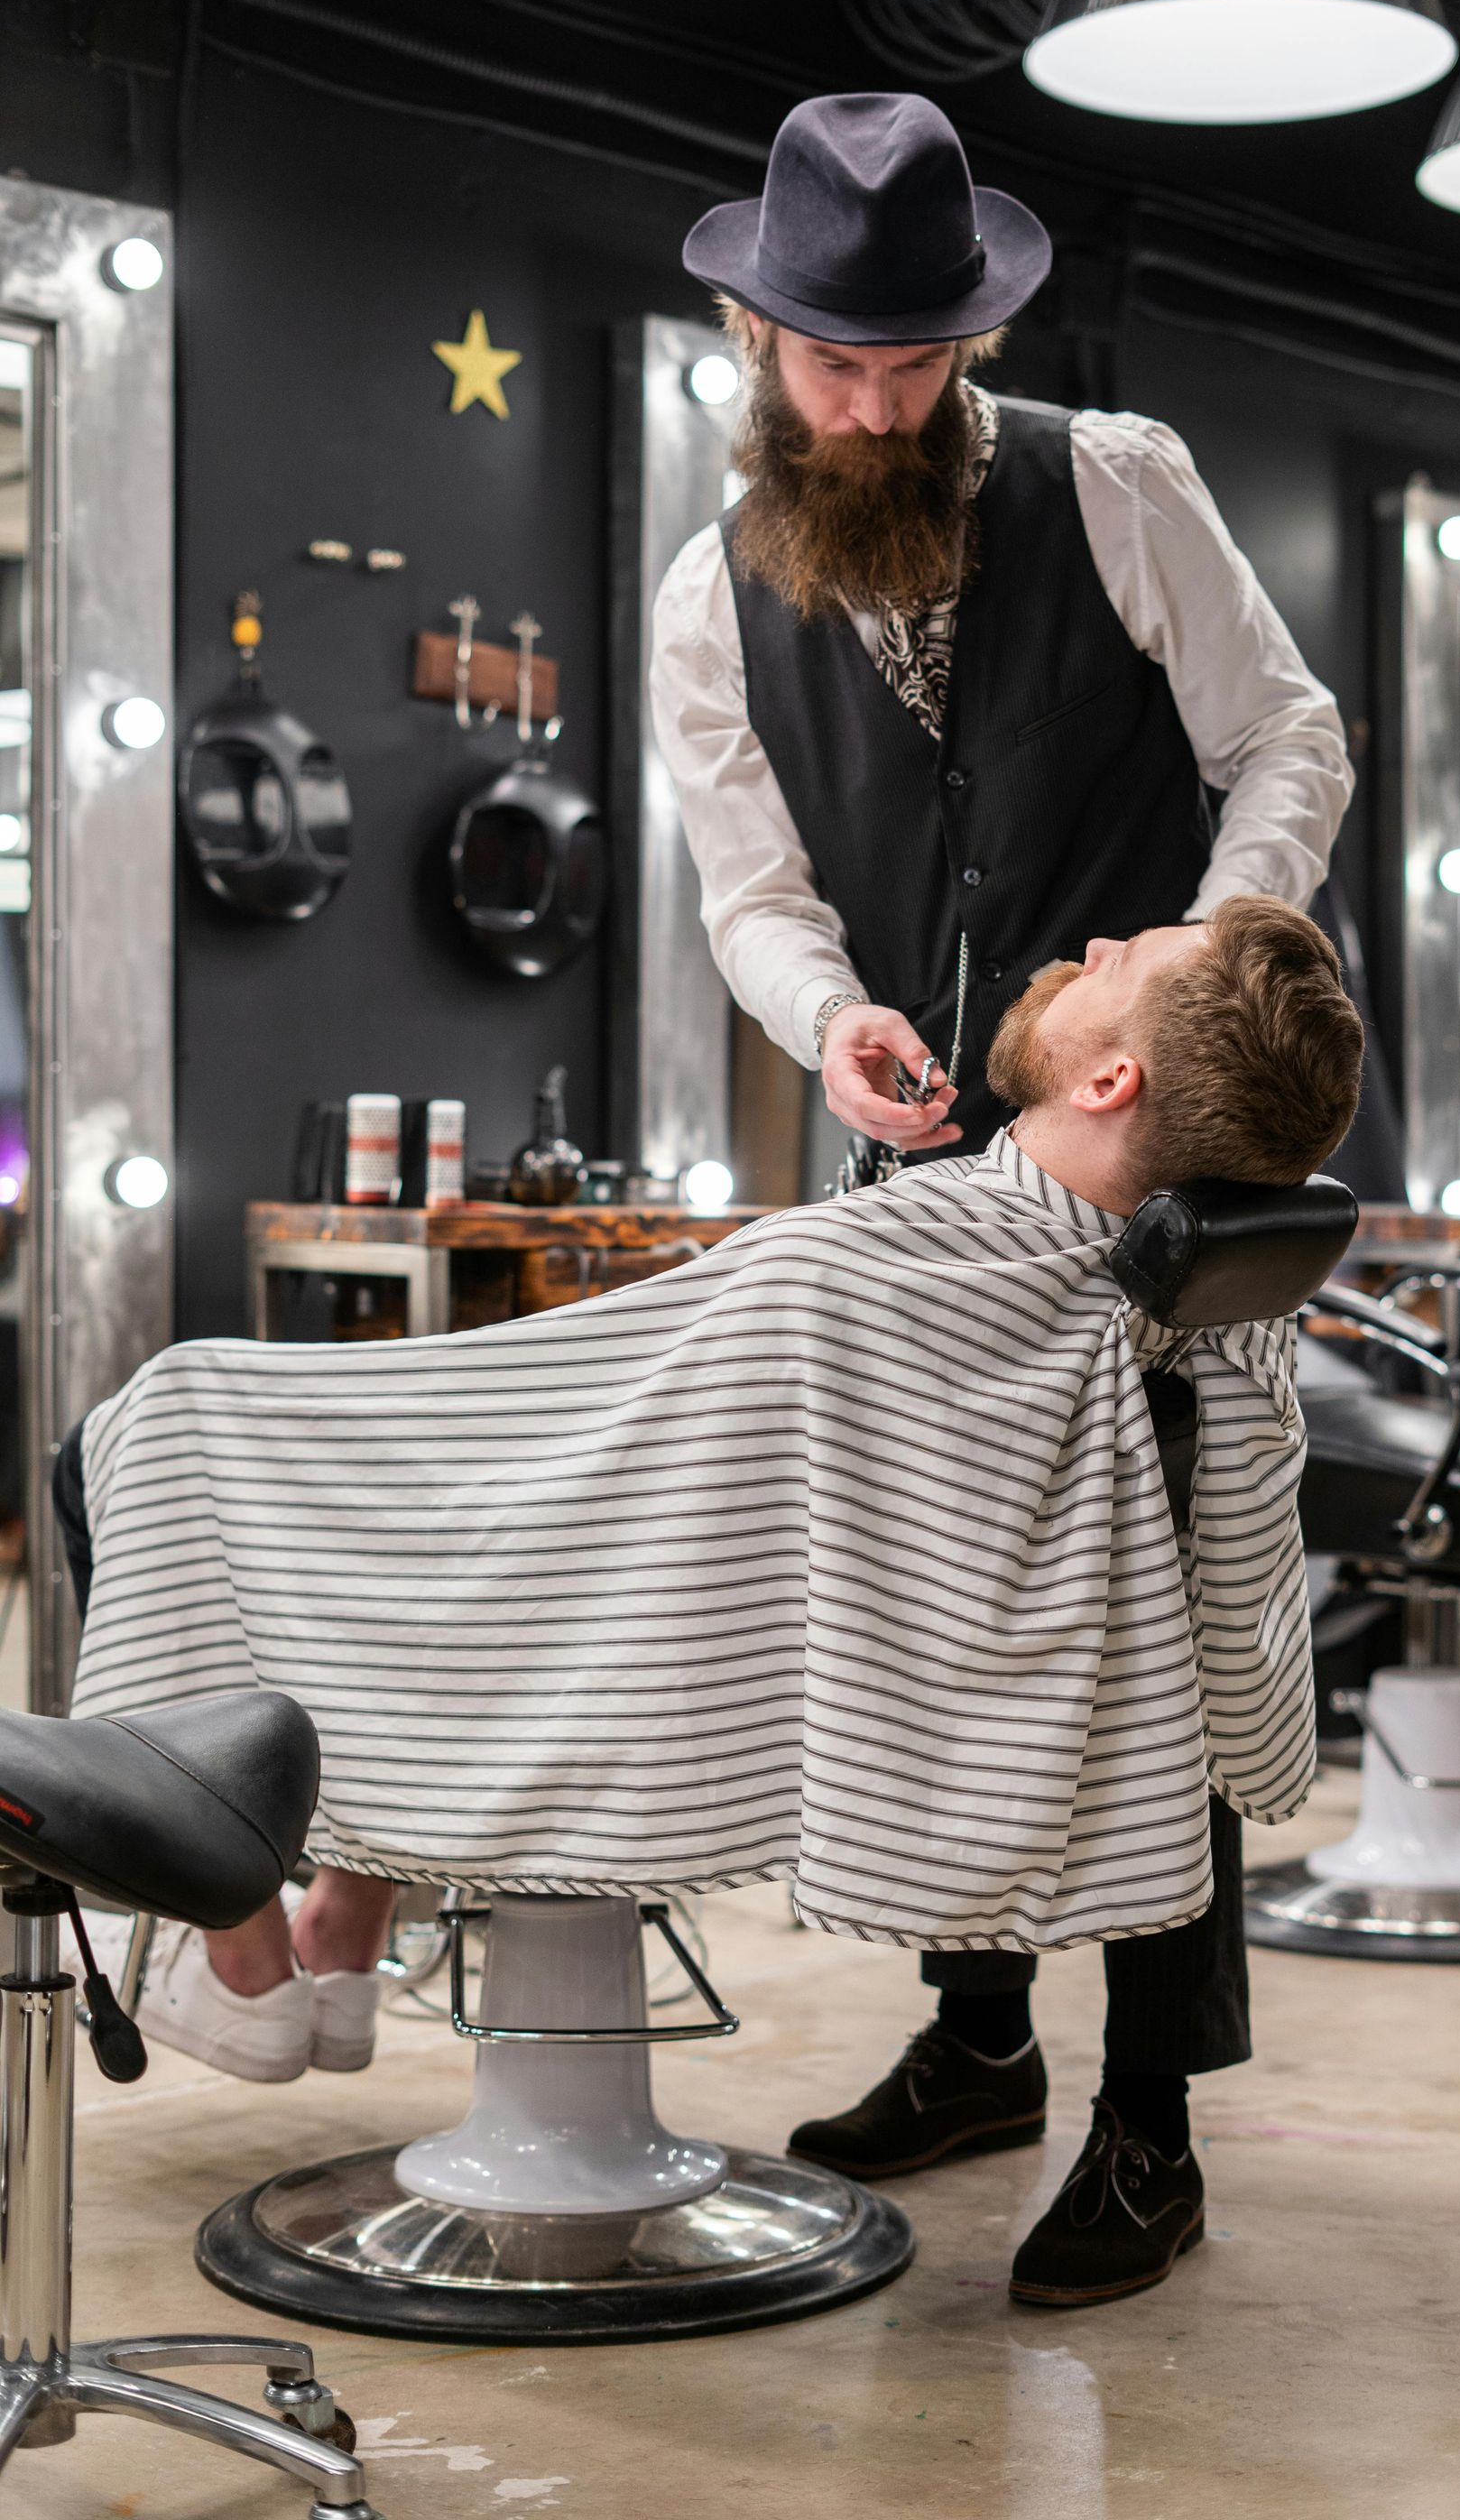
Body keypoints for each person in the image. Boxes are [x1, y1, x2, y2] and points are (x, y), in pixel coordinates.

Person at [60, 900, 1360, 2303]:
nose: (1095, 945)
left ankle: (252, 1923)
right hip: (643, 1601)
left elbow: (592, 1447)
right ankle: (343, 1913)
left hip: (622, 1627)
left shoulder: (857, 1274)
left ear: (1113, 1082)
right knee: (492, 1511)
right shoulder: (1156, 1310)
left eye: (1129, 960)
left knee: (169, 1415)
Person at [651, 90, 1355, 2274]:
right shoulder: (709, 595)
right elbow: (752, 895)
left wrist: (1218, 959)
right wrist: (825, 1022)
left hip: (1164, 1159)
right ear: (759, 339)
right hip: (921, 1184)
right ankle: (980, 2039)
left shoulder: (1112, 487)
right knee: (946, 1615)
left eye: (911, 366)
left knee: (1170, 1613)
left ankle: (1150, 2118)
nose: (871, 411)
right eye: (831, 365)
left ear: (969, 343)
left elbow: (1292, 742)